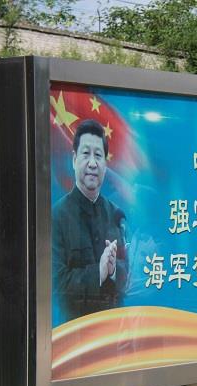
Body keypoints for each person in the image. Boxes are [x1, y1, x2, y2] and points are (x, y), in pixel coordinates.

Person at [52, 119, 128, 324]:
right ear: (74, 159)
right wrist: (99, 272)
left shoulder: (116, 214)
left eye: (98, 156)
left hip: (114, 331)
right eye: (86, 154)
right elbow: (56, 284)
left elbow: (126, 273)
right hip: (73, 333)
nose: (92, 163)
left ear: (105, 165)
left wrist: (113, 270)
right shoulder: (57, 216)